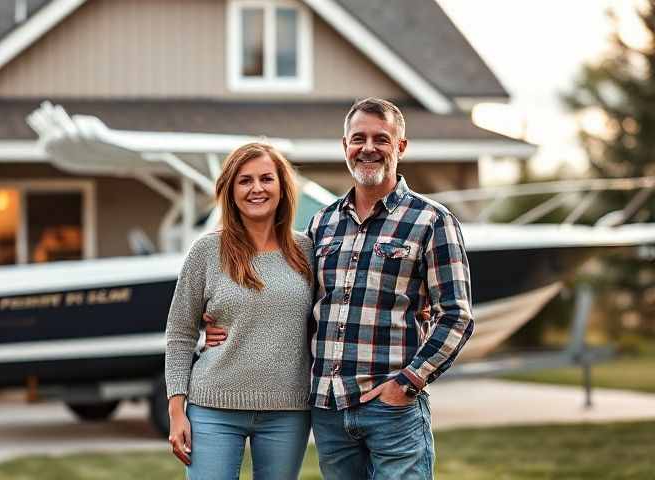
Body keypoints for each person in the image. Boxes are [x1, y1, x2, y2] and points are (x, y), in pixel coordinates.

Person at [205, 97, 475, 479]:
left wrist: (408, 383)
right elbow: (297, 304)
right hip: (329, 412)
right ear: (344, 146)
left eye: (381, 139)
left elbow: (456, 316)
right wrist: (223, 319)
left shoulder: (432, 220)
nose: (368, 148)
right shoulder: (322, 224)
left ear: (401, 146)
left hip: (392, 409)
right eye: (358, 138)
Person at [164, 142, 315, 480]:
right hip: (213, 406)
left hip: (288, 410)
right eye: (245, 181)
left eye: (266, 178)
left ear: (282, 187)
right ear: (230, 191)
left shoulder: (307, 250)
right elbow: (179, 333)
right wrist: (177, 410)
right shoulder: (207, 250)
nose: (257, 188)